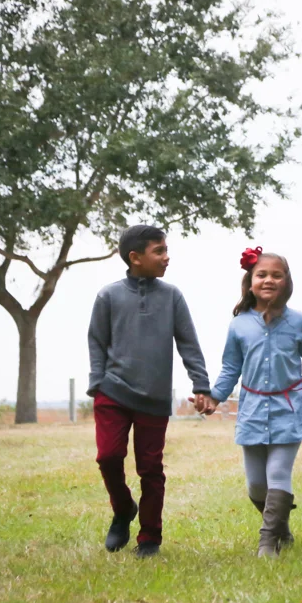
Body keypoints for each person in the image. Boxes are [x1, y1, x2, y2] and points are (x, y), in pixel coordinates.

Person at [204, 246, 302, 558]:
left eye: (276, 275)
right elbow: (230, 368)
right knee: (256, 485)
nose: (269, 280)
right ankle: (281, 526)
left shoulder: (298, 321)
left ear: (287, 282)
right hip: (252, 411)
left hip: (288, 410)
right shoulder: (239, 325)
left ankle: (267, 543)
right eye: (262, 275)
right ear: (250, 282)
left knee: (278, 473)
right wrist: (214, 397)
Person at [87, 225, 213, 558]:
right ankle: (123, 508)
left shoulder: (172, 296)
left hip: (154, 397)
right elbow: (96, 341)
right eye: (159, 251)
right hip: (112, 392)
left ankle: (149, 537)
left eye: (166, 250)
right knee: (108, 457)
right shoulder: (108, 296)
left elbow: (188, 343)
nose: (166, 257)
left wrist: (201, 385)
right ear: (135, 257)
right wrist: (97, 382)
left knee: (150, 469)